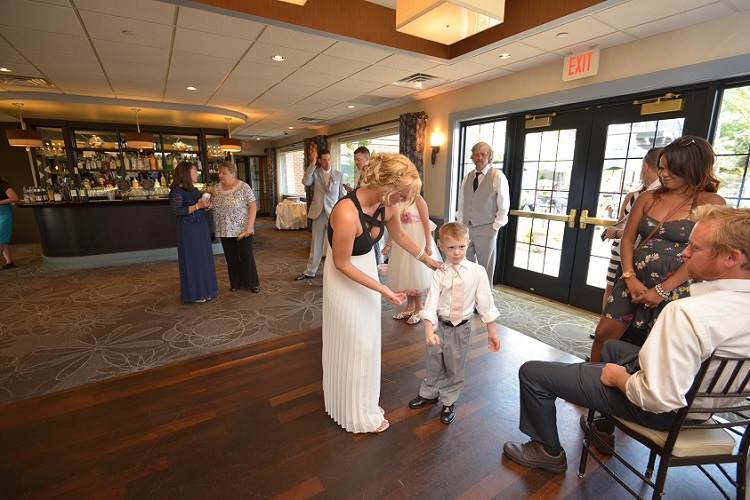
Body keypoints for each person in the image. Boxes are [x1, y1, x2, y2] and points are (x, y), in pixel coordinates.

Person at [503, 205, 750, 474]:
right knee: (611, 347)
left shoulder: (688, 313)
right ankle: (602, 427)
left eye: (695, 247)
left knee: (533, 372)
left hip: (667, 410)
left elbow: (657, 398)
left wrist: (619, 378)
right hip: (707, 408)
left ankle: (547, 451)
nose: (684, 252)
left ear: (730, 258)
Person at [322, 153, 441, 434]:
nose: (402, 201)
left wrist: (429, 260)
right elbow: (341, 263)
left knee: (370, 342)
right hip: (345, 278)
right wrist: (383, 288)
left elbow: (399, 235)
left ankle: (361, 405)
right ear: (386, 185)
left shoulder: (386, 205)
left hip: (366, 271)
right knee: (356, 343)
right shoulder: (347, 212)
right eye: (400, 195)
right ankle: (348, 409)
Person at [590, 136, 725, 362]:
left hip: (677, 285)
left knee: (656, 348)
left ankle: (636, 390)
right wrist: (629, 277)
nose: (664, 174)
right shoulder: (648, 197)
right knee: (604, 334)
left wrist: (662, 289)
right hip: (634, 278)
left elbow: (705, 254)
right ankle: (588, 383)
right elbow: (627, 240)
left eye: (673, 170)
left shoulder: (712, 202)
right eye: (661, 168)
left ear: (692, 169)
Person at [408, 222, 500, 424]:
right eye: (451, 248)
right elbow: (430, 304)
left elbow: (485, 302)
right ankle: (430, 393)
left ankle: (449, 399)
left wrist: (491, 331)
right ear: (441, 246)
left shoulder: (477, 272)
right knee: (433, 362)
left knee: (454, 365)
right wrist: (428, 330)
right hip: (439, 326)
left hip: (461, 328)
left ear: (468, 243)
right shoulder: (439, 272)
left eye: (461, 247)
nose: (457, 252)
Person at [600, 147, 661, 310]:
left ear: (645, 167)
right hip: (620, 249)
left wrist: (618, 232)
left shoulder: (658, 196)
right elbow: (621, 221)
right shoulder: (633, 196)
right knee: (611, 288)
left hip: (639, 253)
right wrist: (617, 231)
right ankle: (605, 324)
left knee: (626, 294)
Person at [455, 142, 510, 284]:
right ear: (472, 156)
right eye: (476, 154)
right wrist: (461, 224)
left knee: (486, 268)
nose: (479, 158)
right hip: (466, 228)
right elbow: (462, 201)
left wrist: (495, 227)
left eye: (483, 154)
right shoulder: (468, 176)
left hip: (487, 228)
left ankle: (485, 304)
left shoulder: (497, 176)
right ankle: (468, 300)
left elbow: (504, 204)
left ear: (489, 156)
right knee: (465, 266)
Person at [383, 194, 441, 325]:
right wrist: (388, 244)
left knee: (416, 272)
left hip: (417, 240)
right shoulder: (397, 200)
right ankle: (409, 307)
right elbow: (395, 227)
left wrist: (428, 244)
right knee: (406, 272)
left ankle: (419, 307)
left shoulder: (418, 200)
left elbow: (426, 222)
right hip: (402, 243)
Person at [169, 161, 218, 303]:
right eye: (195, 170)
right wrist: (198, 205)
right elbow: (177, 211)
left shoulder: (194, 190)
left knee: (204, 258)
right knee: (193, 259)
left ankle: (207, 290)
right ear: (186, 173)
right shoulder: (176, 191)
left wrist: (206, 206)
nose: (197, 173)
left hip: (201, 226)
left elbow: (199, 207)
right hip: (188, 230)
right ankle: (196, 293)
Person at [295, 148, 346, 280]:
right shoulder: (315, 173)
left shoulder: (339, 175)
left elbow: (342, 197)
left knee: (335, 243)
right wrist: (312, 164)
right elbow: (306, 181)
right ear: (319, 160)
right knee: (316, 243)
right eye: (324, 160)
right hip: (318, 213)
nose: (327, 162)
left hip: (333, 214)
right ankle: (310, 271)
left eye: (329, 159)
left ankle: (336, 270)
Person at [211, 162, 260, 293]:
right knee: (231, 258)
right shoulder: (216, 188)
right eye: (219, 173)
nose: (220, 175)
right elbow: (209, 204)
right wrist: (208, 191)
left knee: (246, 257)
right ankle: (236, 282)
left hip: (242, 229)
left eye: (224, 173)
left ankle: (252, 283)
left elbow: (253, 206)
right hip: (224, 229)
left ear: (233, 174)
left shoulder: (244, 187)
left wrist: (250, 226)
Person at [0, 174, 19, 270]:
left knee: (1, 239)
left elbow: (14, 198)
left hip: (4, 214)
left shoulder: (3, 185)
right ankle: (9, 262)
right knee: (3, 240)